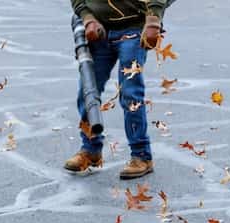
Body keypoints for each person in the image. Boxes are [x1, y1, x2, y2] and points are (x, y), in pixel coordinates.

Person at [65, 0, 169, 180]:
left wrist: (153, 20)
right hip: (98, 29)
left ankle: (141, 155)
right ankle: (91, 150)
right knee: (87, 91)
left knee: (130, 92)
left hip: (134, 29)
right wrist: (88, 18)